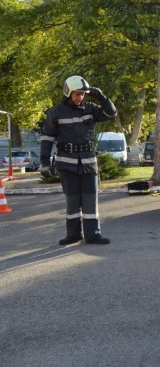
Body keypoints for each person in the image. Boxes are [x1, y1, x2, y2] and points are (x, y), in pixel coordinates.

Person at [39, 75, 118, 245]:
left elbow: (111, 113)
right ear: (68, 93)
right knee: (73, 201)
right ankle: (73, 235)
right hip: (67, 164)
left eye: (82, 94)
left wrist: (101, 97)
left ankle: (93, 235)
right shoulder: (56, 112)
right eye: (77, 94)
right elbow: (47, 138)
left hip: (88, 164)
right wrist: (44, 162)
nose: (80, 97)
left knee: (90, 200)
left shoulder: (90, 108)